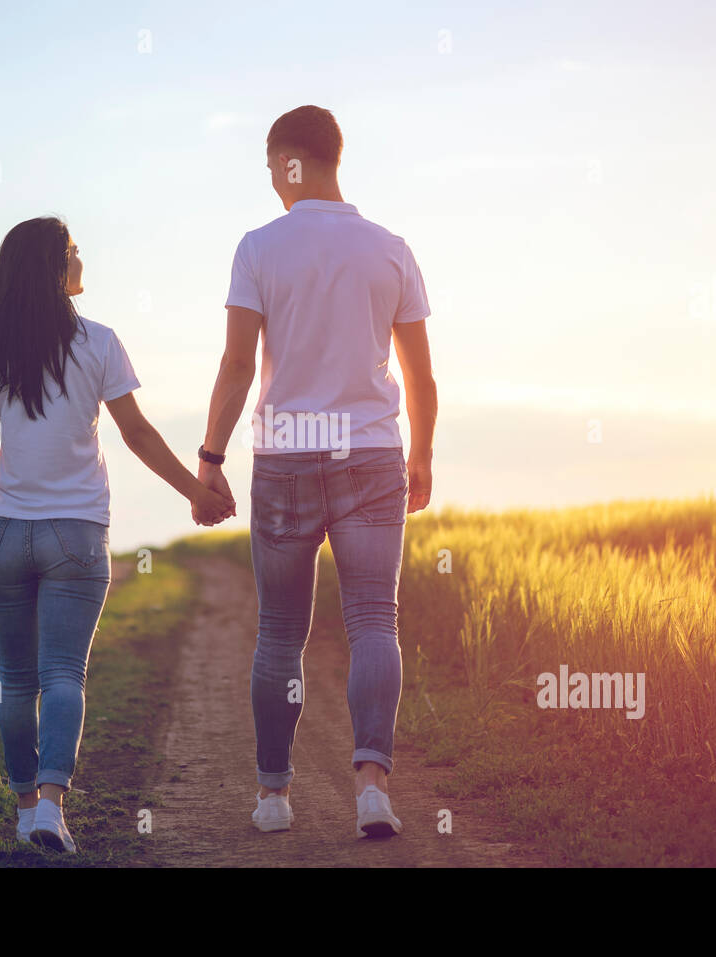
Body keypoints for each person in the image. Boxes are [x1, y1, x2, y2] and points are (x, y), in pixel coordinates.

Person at [0, 216, 234, 853]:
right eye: (72, 251)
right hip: (76, 533)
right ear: (52, 267)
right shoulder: (99, 341)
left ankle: (25, 813)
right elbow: (137, 434)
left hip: (3, 533)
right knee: (65, 674)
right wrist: (198, 491)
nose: (82, 258)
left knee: (16, 679)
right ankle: (51, 806)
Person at [195, 105, 438, 838]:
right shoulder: (390, 248)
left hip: (288, 454)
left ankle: (273, 796)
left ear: (289, 161)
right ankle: (372, 788)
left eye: (273, 167)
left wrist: (209, 458)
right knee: (374, 621)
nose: (273, 180)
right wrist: (419, 454)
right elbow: (421, 377)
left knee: (279, 632)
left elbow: (240, 363)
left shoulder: (259, 247)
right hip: (370, 453)